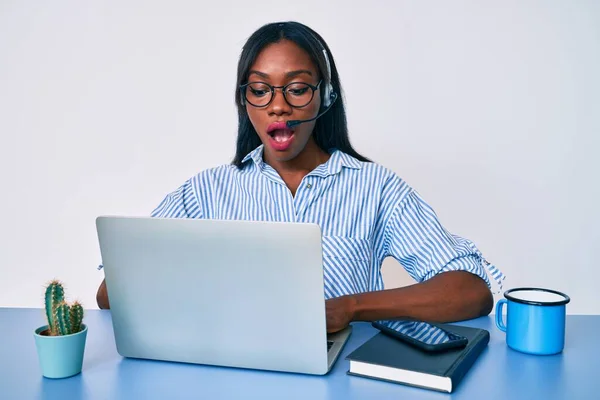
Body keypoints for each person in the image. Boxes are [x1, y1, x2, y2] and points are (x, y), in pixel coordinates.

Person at [96, 21, 505, 333]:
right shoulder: (205, 192)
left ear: (325, 96)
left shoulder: (375, 187)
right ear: (244, 101)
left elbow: (470, 290)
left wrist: (349, 308)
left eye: (296, 88)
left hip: (338, 378)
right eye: (260, 90)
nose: (277, 106)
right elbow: (109, 293)